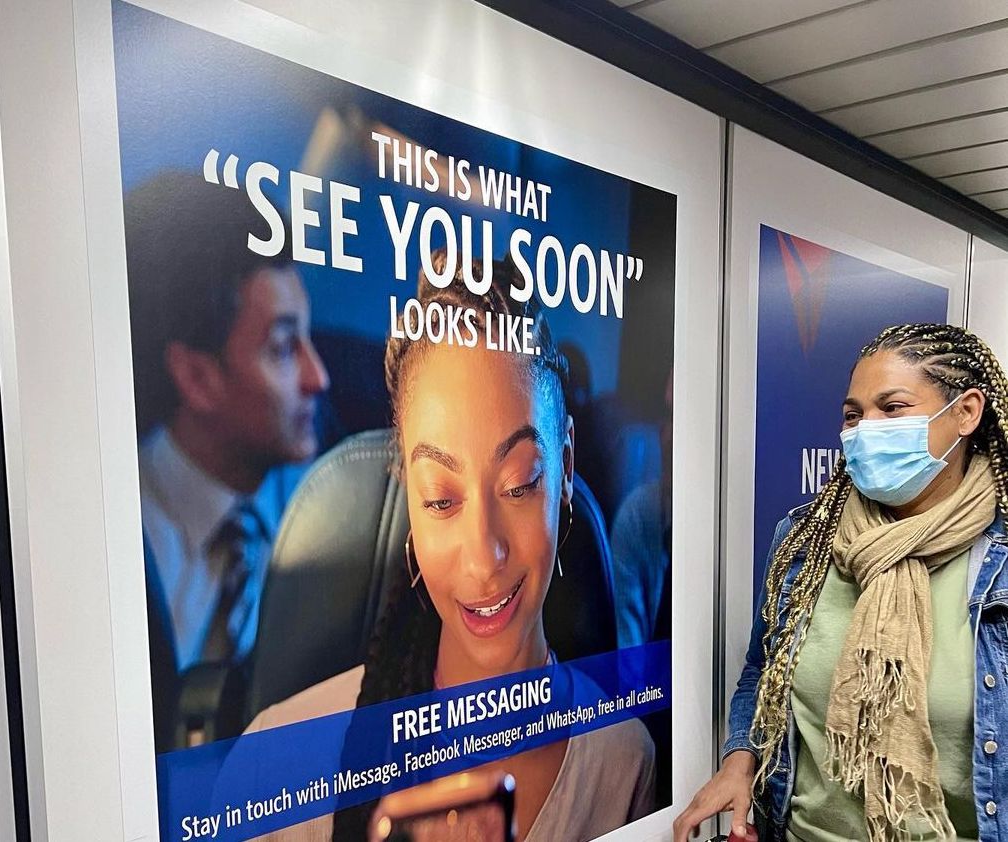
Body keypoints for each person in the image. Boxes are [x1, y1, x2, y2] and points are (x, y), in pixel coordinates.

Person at [247, 251, 655, 841]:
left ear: (565, 468)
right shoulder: (279, 765)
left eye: (518, 485)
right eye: (441, 499)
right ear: (408, 495)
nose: (483, 555)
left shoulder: (623, 762)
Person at [675, 324, 1008, 842]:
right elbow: (764, 669)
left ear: (965, 412)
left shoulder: (1000, 563)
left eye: (891, 408)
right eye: (853, 415)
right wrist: (740, 759)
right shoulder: (805, 539)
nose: (863, 430)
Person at [125, 171, 330, 675]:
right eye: (283, 347)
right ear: (196, 377)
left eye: (308, 336)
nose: (318, 377)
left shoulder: (338, 495)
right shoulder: (121, 543)